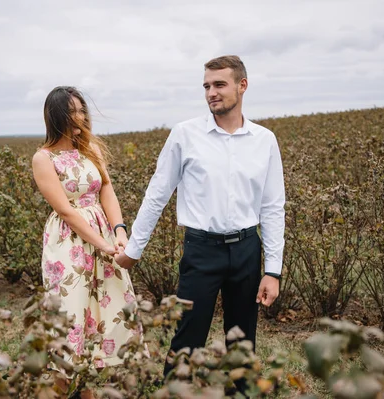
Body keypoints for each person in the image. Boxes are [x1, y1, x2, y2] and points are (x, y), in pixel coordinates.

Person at [115, 55, 285, 379]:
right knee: (187, 341)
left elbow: (273, 207)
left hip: (248, 250)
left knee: (243, 343)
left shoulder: (265, 141)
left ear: (242, 85)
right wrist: (134, 250)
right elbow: (157, 195)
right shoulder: (185, 134)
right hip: (201, 251)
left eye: (219, 84)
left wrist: (272, 270)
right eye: (206, 86)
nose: (211, 92)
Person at [31, 86, 139, 374]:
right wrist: (102, 244)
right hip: (69, 241)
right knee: (71, 312)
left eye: (82, 109)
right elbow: (65, 211)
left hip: (102, 232)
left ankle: (86, 387)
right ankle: (60, 383)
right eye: (72, 110)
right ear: (56, 116)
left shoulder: (89, 150)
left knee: (103, 309)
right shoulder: (44, 158)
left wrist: (118, 231)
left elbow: (106, 189)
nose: (80, 115)